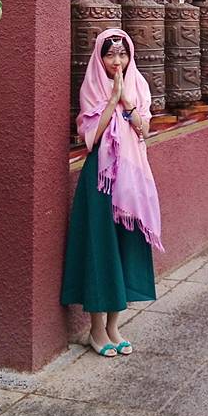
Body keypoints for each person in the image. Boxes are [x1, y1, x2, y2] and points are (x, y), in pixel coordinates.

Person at [61, 28, 163, 358]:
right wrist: (112, 98)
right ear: (99, 57)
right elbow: (91, 137)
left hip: (131, 179)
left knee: (125, 244)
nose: (117, 61)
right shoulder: (91, 87)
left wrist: (127, 101)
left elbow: (144, 129)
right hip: (101, 178)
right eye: (109, 55)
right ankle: (95, 329)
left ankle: (114, 326)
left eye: (122, 54)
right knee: (100, 247)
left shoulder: (139, 84)